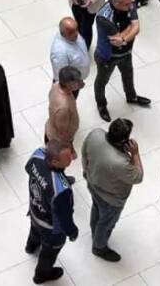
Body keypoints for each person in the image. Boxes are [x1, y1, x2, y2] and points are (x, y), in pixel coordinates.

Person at [82, 118, 144, 261]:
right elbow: (138, 177)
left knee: (96, 209)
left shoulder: (96, 134)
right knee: (106, 223)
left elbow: (84, 151)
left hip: (92, 183)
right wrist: (135, 154)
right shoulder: (120, 162)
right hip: (111, 199)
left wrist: (86, 170)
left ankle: (94, 233)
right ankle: (99, 247)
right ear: (123, 140)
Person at [24, 140, 79, 284]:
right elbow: (65, 219)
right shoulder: (62, 191)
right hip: (50, 229)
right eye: (68, 158)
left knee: (34, 230)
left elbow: (27, 168)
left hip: (34, 210)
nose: (72, 159)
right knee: (49, 253)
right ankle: (41, 275)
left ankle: (30, 246)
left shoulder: (38, 155)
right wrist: (72, 232)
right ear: (55, 161)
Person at [93, 0, 150, 122]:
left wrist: (124, 38)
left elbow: (136, 28)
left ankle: (131, 97)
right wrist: (130, 28)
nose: (131, 6)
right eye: (127, 5)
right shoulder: (104, 17)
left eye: (131, 3)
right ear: (117, 3)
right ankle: (101, 105)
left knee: (128, 75)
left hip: (126, 53)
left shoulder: (129, 2)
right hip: (107, 57)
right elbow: (117, 41)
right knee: (102, 82)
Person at [45, 67, 82, 146]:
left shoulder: (56, 85)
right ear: (68, 84)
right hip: (58, 141)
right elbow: (62, 132)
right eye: (77, 81)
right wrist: (67, 145)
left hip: (50, 127)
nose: (80, 82)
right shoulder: (64, 108)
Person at [49, 17, 90, 83]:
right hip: (71, 84)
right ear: (63, 34)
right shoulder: (59, 53)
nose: (76, 34)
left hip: (78, 78)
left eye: (76, 29)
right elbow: (61, 78)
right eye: (71, 32)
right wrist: (75, 84)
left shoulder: (73, 34)